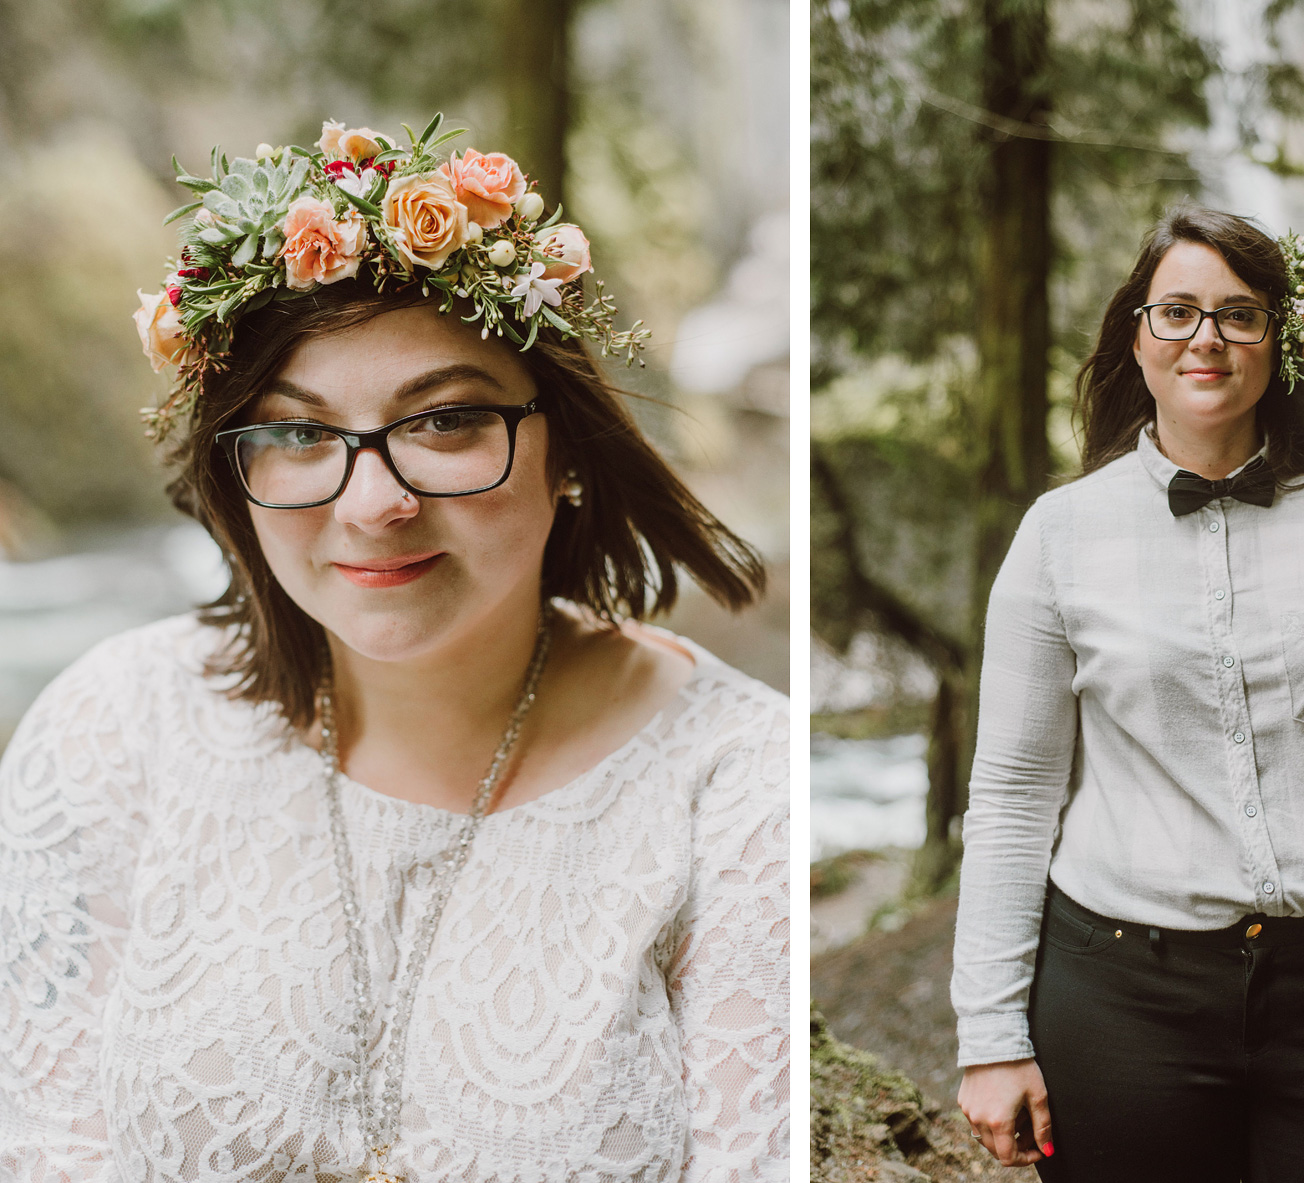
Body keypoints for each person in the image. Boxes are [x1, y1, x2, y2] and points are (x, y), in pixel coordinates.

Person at [0, 116, 789, 1182]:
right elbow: (42, 1145)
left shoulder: (740, 786)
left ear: (565, 451)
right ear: (237, 478)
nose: (375, 503)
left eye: (446, 421)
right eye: (295, 434)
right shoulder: (116, 724)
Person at [951, 205, 1304, 1181]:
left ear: (1280, 342)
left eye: (1238, 313)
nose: (1205, 337)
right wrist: (990, 1034)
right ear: (1136, 335)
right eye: (1176, 311)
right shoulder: (1058, 535)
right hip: (1120, 1000)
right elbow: (1011, 794)